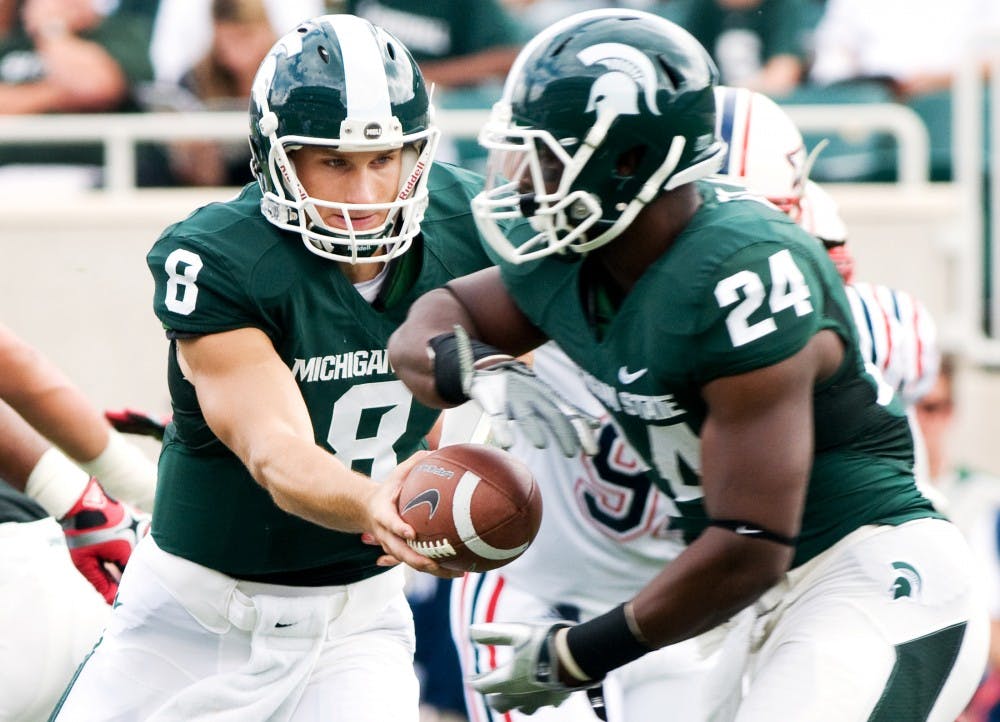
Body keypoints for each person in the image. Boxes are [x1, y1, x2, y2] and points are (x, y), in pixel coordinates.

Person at [387, 9, 988, 720]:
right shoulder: (585, 257)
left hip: (861, 577)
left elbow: (751, 541)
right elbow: (432, 320)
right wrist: (473, 369)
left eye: (546, 155)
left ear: (630, 162)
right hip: (740, 608)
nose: (525, 180)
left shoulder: (739, 271)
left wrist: (574, 655)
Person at [51, 14, 501, 722]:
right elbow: (274, 450)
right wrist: (373, 505)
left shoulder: (469, 220)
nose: (363, 194)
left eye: (384, 159)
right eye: (334, 161)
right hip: (190, 621)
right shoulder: (224, 258)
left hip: (353, 628)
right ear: (273, 156)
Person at [451, 343, 748, 722]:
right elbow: (439, 321)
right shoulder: (563, 293)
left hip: (678, 611)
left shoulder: (746, 331)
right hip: (542, 599)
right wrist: (484, 357)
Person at [676, 0, 812, 98]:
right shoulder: (700, 7)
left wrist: (733, 94)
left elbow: (783, 73)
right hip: (712, 109)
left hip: (765, 106)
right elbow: (682, 67)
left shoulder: (783, 7)